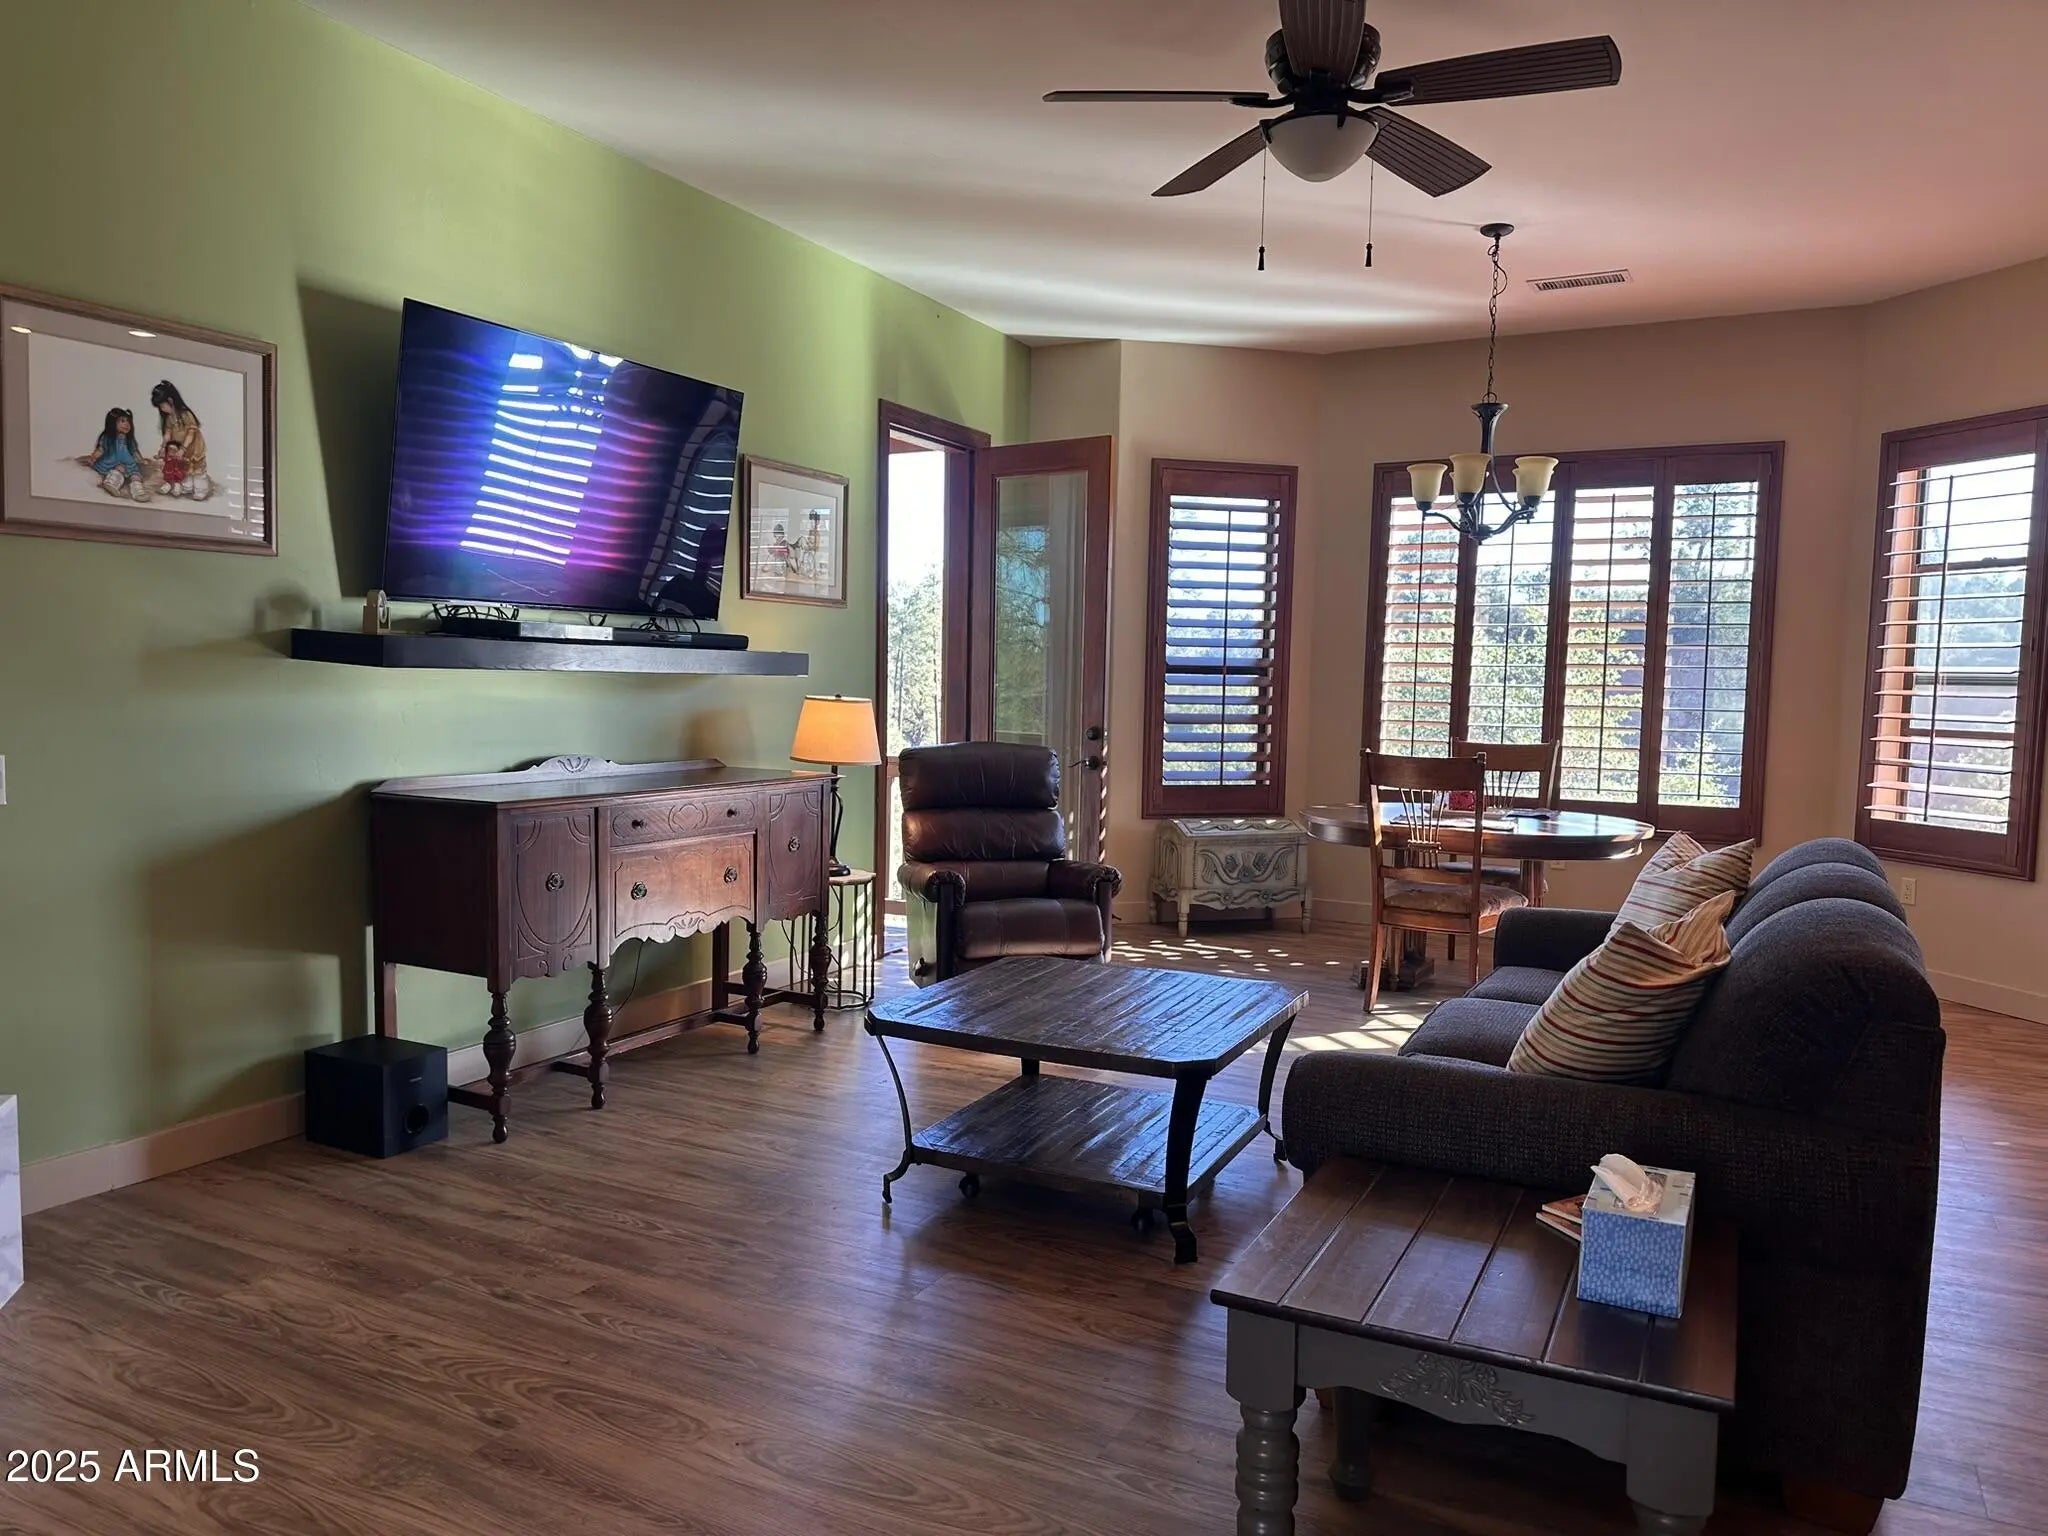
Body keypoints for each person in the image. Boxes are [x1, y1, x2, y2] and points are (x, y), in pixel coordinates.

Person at [150, 380, 211, 500]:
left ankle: (201, 489)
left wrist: (183, 448)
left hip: (193, 447)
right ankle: (188, 486)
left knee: (198, 469)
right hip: (180, 449)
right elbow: (167, 433)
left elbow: (191, 433)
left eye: (162, 406)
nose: (162, 409)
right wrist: (163, 447)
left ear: (170, 401)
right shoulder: (169, 418)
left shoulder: (186, 414)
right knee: (184, 467)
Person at [84, 407, 150, 500]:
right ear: (112, 423)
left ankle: (138, 492)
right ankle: (111, 484)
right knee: (119, 468)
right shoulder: (108, 437)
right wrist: (93, 457)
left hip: (128, 462)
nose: (127, 424)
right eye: (122, 421)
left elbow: (134, 451)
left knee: (136, 475)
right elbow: (101, 449)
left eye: (128, 421)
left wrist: (141, 460)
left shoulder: (129, 440)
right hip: (112, 460)